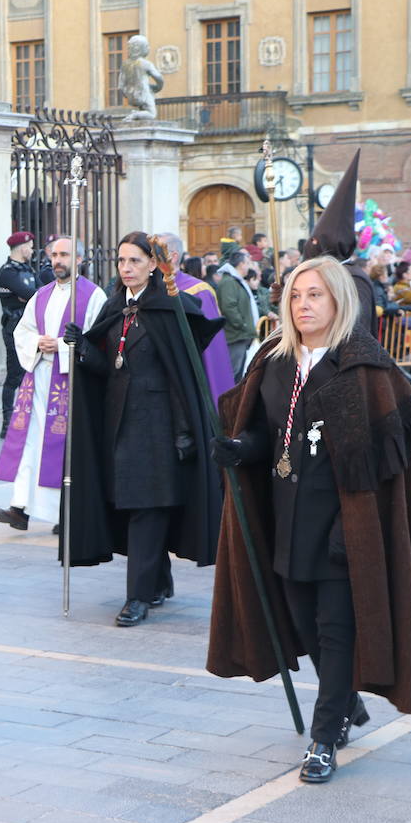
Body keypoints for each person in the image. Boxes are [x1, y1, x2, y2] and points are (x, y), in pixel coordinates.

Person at [208, 255, 411, 784]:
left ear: (339, 300)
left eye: (315, 294)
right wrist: (240, 447)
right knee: (302, 623)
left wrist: (355, 528)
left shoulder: (363, 366)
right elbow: (268, 434)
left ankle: (324, 740)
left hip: (345, 523)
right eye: (296, 296)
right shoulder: (273, 360)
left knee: (335, 629)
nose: (303, 305)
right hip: (285, 520)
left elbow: (393, 452)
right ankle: (342, 701)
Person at [63, 232, 224, 627]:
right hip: (119, 427)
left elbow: (182, 375)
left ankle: (137, 597)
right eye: (121, 261)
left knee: (147, 508)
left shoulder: (170, 308)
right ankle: (157, 582)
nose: (126, 268)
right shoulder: (116, 307)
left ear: (153, 264)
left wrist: (185, 432)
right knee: (136, 507)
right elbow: (109, 372)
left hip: (158, 430)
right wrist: (83, 349)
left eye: (134, 261)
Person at [0, 237, 104, 532]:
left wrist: (63, 347)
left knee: (63, 445)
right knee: (30, 441)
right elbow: (23, 330)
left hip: (71, 380)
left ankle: (63, 513)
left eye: (64, 255)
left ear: (79, 259)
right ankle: (20, 508)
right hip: (39, 377)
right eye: (54, 255)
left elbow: (96, 340)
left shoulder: (93, 296)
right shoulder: (41, 294)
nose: (57, 260)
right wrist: (37, 343)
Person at [156, 232, 236, 401]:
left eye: (153, 252)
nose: (148, 258)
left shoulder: (199, 291)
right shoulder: (149, 289)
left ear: (173, 256)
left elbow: (210, 348)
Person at [302, 151, 374, 337]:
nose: (311, 247)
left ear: (329, 245)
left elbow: (357, 329)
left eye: (316, 242)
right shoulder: (323, 274)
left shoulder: (354, 280)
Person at [0, 231, 38, 437]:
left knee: (28, 374)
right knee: (14, 375)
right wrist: (27, 297)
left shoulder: (27, 269)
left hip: (30, 329)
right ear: (22, 247)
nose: (31, 250)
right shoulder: (7, 272)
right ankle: (7, 424)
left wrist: (28, 298)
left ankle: (25, 418)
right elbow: (31, 295)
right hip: (14, 328)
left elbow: (39, 295)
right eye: (30, 246)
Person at [217, 249, 258, 381]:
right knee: (233, 374)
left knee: (239, 373)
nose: (249, 267)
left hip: (240, 334)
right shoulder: (229, 282)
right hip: (235, 335)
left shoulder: (235, 280)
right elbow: (229, 307)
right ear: (241, 264)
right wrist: (242, 324)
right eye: (247, 263)